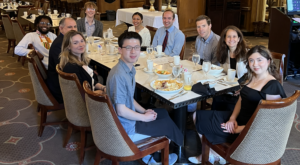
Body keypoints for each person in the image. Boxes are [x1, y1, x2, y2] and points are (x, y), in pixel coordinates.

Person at [188, 45, 287, 164]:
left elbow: (268, 123)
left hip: (252, 133)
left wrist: (239, 129)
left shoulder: (272, 86)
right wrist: (232, 118)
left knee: (205, 121)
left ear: (268, 61)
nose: (255, 64)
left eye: (259, 60)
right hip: (239, 121)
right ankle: (215, 155)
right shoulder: (252, 77)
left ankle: (215, 155)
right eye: (251, 60)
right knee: (196, 116)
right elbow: (241, 99)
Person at [106, 31, 183, 165]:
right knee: (167, 126)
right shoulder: (119, 75)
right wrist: (143, 117)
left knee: (162, 112)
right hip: (125, 128)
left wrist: (143, 111)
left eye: (136, 47)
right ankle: (161, 157)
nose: (133, 51)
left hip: (126, 120)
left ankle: (151, 157)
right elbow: (121, 110)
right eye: (128, 47)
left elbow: (129, 98)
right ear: (120, 50)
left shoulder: (128, 69)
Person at [211, 26, 248, 111]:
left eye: (234, 36)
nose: (231, 39)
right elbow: (223, 73)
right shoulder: (223, 53)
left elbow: (251, 75)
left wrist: (242, 88)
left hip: (242, 89)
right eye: (228, 36)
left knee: (228, 107)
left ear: (239, 39)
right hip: (227, 88)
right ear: (224, 39)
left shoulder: (247, 54)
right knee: (216, 99)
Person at [59, 30, 106, 94]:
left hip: (91, 92)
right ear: (68, 46)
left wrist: (103, 88)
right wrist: (102, 92)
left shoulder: (82, 60)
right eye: (75, 43)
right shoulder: (71, 67)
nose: (81, 45)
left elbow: (91, 80)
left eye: (82, 41)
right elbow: (82, 94)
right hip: (88, 100)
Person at [47, 18, 77, 103]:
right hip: (61, 85)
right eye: (70, 27)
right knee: (95, 79)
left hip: (65, 79)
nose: (73, 29)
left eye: (75, 26)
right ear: (61, 28)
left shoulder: (67, 40)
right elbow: (66, 68)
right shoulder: (59, 44)